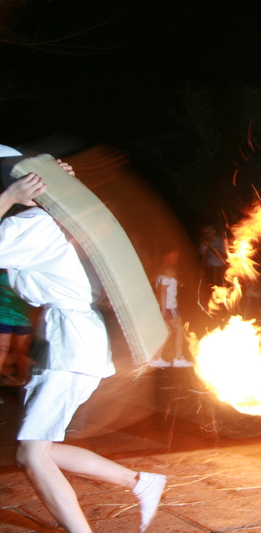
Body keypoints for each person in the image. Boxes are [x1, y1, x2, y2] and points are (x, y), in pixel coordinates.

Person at [0, 148, 166, 533]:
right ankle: (139, 482)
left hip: (69, 343)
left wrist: (10, 197)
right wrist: (58, 184)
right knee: (36, 451)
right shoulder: (55, 219)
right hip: (74, 338)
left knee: (34, 456)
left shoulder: (30, 225)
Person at [149, 249, 192, 368]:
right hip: (169, 307)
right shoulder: (168, 270)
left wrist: (178, 282)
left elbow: (162, 285)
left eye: (177, 256)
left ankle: (156, 358)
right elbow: (162, 290)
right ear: (166, 255)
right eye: (173, 256)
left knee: (167, 331)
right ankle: (178, 359)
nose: (175, 259)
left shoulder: (162, 269)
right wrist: (164, 310)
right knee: (179, 330)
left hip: (164, 305)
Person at [0, 268, 35, 388]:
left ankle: (24, 383)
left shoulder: (25, 272)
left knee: (17, 352)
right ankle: (25, 384)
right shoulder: (26, 272)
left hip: (20, 318)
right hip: (8, 317)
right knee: (9, 351)